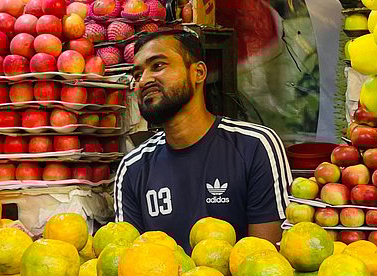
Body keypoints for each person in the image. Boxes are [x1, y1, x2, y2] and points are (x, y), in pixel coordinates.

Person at [114, 29, 290, 249]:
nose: (143, 81)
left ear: (198, 73)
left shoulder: (255, 146)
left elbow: (266, 262)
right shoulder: (133, 168)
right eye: (137, 74)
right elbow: (129, 264)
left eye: (158, 66)